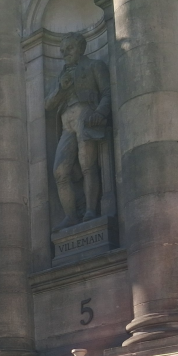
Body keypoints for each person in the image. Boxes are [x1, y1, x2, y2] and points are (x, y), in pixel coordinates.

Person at [44, 31, 111, 229]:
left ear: (81, 48)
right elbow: (48, 105)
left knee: (87, 165)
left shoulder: (94, 66)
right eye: (62, 50)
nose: (65, 53)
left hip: (85, 116)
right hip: (67, 123)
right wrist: (62, 88)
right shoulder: (61, 77)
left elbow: (107, 93)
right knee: (59, 171)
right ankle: (70, 215)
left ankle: (90, 210)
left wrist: (100, 112)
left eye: (69, 49)